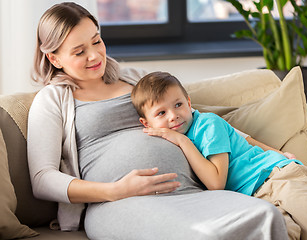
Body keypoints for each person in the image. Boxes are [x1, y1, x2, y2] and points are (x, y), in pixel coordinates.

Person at [27, 2, 289, 239]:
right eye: (79, 51)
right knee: (204, 235)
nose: (95, 56)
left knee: (266, 216)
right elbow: (42, 178)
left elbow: (199, 122)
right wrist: (114, 190)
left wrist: (270, 150)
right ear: (54, 58)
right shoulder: (52, 100)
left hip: (192, 191)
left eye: (96, 41)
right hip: (120, 202)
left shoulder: (136, 78)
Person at [131, 71, 307, 240]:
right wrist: (279, 152)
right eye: (161, 113)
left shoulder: (207, 125)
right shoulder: (173, 138)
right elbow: (246, 139)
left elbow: (216, 182)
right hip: (256, 197)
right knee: (284, 233)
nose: (173, 115)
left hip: (282, 178)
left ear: (189, 102)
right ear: (146, 124)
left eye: (178, 105)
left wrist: (182, 142)